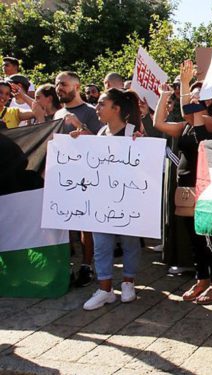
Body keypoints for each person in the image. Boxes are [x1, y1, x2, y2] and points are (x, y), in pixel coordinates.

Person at [153, 60, 212, 304]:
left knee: (209, 239)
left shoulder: (211, 123)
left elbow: (189, 113)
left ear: (207, 101)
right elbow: (158, 123)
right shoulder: (185, 126)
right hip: (185, 189)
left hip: (205, 188)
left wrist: (184, 84)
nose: (191, 97)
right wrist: (165, 96)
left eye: (197, 95)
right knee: (194, 239)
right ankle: (201, 279)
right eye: (190, 94)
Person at [69, 88, 144, 310]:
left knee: (130, 242)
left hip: (128, 200)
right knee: (101, 244)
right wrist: (81, 141)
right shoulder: (101, 133)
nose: (97, 109)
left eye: (102, 104)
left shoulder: (134, 132)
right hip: (102, 200)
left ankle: (128, 283)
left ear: (116, 108)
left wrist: (142, 146)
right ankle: (105, 289)